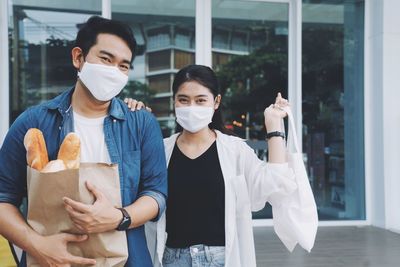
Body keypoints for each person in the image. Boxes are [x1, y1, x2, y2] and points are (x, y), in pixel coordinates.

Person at [0, 16, 167, 267]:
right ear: (78, 58)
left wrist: (118, 218)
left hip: (127, 260)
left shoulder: (141, 124)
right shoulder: (33, 123)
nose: (114, 71)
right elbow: (2, 199)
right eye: (106, 59)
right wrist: (38, 245)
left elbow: (156, 194)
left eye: (123, 65)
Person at [125, 64, 316, 267]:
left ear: (216, 102)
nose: (191, 107)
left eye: (200, 100)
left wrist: (274, 125)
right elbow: (130, 186)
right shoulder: (160, 150)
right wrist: (132, 120)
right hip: (171, 259)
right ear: (174, 101)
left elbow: (274, 185)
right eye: (183, 100)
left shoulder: (234, 150)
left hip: (221, 259)